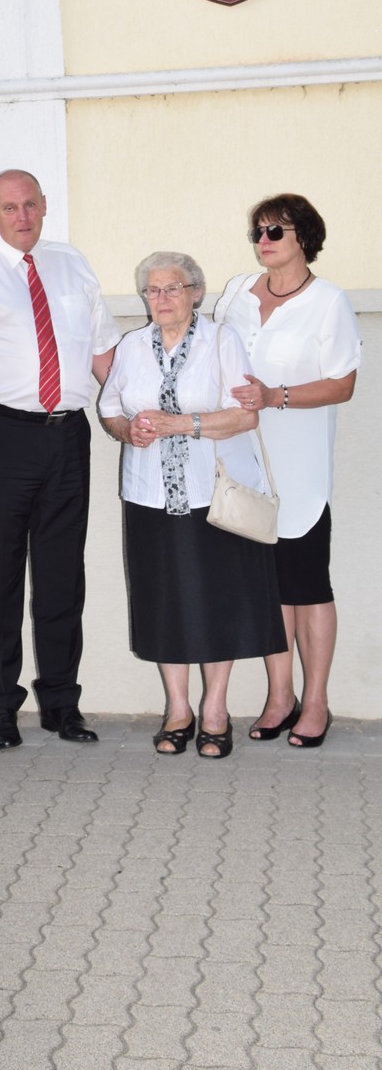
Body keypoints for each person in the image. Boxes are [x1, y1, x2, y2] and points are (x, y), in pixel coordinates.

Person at [0, 169, 120, 748]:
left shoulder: (72, 263)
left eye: (31, 205)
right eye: (10, 207)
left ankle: (62, 705)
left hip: (67, 438)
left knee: (63, 577)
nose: (22, 216)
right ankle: (2, 706)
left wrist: (137, 410)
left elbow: (103, 352)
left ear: (44, 206)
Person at [99, 253, 285, 759]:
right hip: (149, 495)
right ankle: (178, 710)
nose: (161, 299)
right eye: (152, 290)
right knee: (163, 601)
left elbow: (246, 417)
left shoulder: (222, 341)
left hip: (212, 494)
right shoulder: (131, 346)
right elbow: (109, 408)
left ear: (196, 293)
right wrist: (128, 430)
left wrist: (179, 424)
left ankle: (215, 710)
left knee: (218, 601)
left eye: (172, 288)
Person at [215, 194, 360, 748]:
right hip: (242, 460)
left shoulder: (328, 301)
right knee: (268, 585)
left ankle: (316, 701)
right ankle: (281, 697)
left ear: (304, 236)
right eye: (258, 231)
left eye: (275, 230)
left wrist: (275, 395)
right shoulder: (237, 292)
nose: (264, 240)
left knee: (308, 584)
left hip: (299, 465)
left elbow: (343, 384)